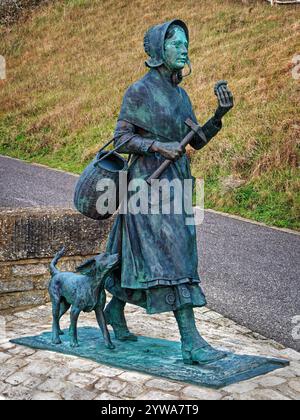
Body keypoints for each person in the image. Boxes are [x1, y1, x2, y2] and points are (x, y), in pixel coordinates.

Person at [104, 19, 234, 365]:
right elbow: (121, 139)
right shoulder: (139, 91)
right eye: (176, 43)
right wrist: (157, 147)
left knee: (153, 256)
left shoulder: (181, 95)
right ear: (158, 49)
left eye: (186, 43)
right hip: (147, 186)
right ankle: (191, 341)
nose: (184, 49)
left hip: (177, 184)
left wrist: (218, 115)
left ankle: (114, 309)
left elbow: (197, 141)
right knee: (175, 257)